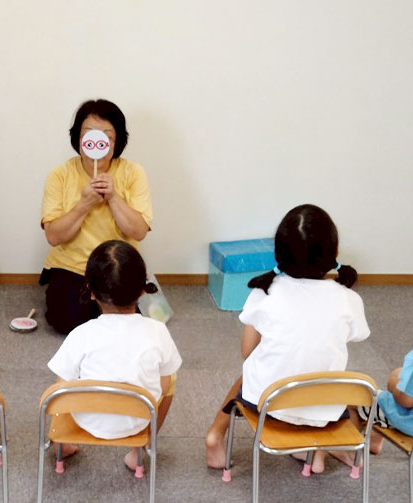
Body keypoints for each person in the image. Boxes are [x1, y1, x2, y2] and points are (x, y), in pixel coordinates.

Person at [205, 204, 370, 474]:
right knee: (343, 380)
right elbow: (353, 336)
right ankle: (317, 452)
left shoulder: (265, 292)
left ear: (278, 253)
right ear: (335, 252)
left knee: (248, 373)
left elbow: (248, 352)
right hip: (323, 410)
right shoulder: (348, 299)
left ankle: (215, 435)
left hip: (269, 403)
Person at [47, 240, 182, 470]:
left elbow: (61, 388)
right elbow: (163, 383)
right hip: (139, 417)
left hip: (86, 418)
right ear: (142, 291)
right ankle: (141, 449)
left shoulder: (81, 334)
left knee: (63, 380)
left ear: (91, 293)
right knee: (171, 378)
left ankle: (62, 442)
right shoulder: (158, 331)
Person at [40, 99, 153, 334]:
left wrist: (113, 197)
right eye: (89, 135)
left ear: (116, 141)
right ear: (78, 139)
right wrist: (84, 204)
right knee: (65, 320)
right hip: (71, 267)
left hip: (117, 265)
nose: (97, 142)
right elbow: (53, 236)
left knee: (126, 321)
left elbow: (139, 231)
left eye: (106, 136)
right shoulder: (60, 174)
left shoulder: (133, 172)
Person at [359, 352, 413, 436]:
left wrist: (394, 381)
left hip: (407, 422)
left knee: (358, 401)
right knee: (382, 399)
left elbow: (406, 399)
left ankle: (348, 442)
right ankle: (374, 437)